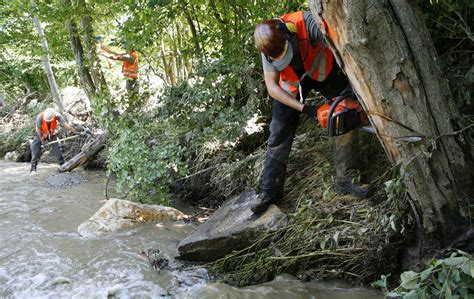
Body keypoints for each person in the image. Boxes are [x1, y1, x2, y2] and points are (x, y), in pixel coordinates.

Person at [251, 11, 370, 214]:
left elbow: (346, 49)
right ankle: (269, 191)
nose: (286, 61)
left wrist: (350, 87)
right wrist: (308, 109)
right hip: (291, 85)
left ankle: (346, 179)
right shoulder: (267, 48)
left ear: (290, 34)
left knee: (344, 113)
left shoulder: (311, 24)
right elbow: (272, 87)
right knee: (278, 132)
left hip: (324, 71)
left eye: (287, 55)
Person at [30, 108, 76, 173]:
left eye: (49, 121)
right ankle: (33, 169)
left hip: (50, 133)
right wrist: (42, 140)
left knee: (57, 148)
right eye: (47, 121)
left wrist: (74, 131)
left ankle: (62, 165)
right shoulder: (40, 117)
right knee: (35, 149)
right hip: (40, 133)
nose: (48, 121)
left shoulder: (57, 116)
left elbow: (65, 125)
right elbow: (38, 130)